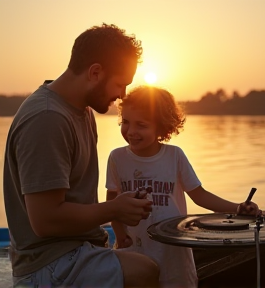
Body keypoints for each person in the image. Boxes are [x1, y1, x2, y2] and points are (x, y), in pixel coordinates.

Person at [3, 24, 160, 288]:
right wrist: (115, 209)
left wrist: (119, 207)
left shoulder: (82, 111)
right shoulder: (48, 119)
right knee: (145, 271)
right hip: (46, 264)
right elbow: (45, 221)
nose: (122, 96)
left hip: (77, 247)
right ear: (95, 72)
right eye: (120, 84)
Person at [105, 85, 260, 288]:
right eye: (125, 122)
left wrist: (238, 208)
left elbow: (200, 196)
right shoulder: (117, 158)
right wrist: (120, 232)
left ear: (160, 127)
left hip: (173, 252)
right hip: (134, 248)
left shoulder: (174, 156)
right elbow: (112, 202)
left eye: (141, 125)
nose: (131, 131)